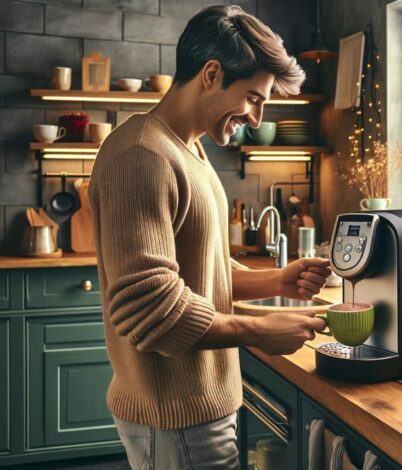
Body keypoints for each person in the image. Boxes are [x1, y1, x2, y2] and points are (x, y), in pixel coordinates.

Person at [88, 5, 328, 468]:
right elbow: (152, 309)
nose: (257, 118)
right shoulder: (141, 155)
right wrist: (259, 330)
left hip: (201, 407)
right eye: (254, 98)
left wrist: (277, 281)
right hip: (174, 415)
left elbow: (201, 269)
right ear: (212, 73)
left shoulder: (190, 150)